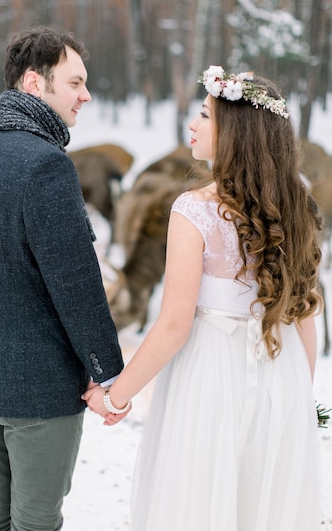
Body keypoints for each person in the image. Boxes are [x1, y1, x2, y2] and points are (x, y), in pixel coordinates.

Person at [83, 66, 323, 531]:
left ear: (235, 134)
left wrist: (117, 397)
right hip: (281, 374)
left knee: (198, 503)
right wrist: (298, 396)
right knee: (264, 505)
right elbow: (303, 316)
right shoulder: (298, 207)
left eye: (204, 115)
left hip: (211, 380)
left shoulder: (194, 210)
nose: (192, 125)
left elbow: (174, 325)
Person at [0, 26, 126, 531]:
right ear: (34, 84)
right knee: (36, 520)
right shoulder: (46, 166)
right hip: (38, 386)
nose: (86, 95)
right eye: (75, 82)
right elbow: (77, 286)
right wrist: (108, 373)